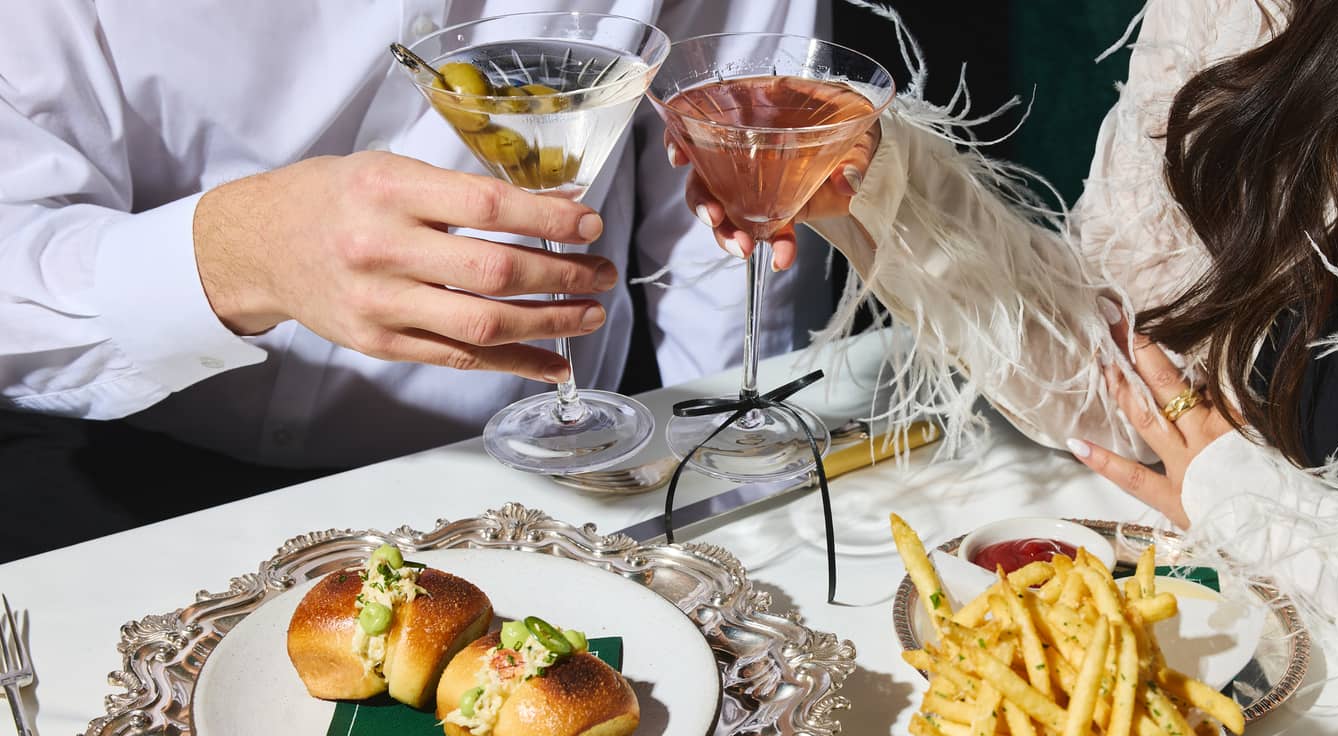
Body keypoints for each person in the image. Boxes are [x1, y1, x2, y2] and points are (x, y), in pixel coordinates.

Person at [681, 0, 1338, 736]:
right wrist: (877, 189)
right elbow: (1127, 379)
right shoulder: (1246, 14)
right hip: (1246, 702)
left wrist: (1252, 505)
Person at [0, 1, 829, 558]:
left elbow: (727, 159)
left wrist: (734, 489)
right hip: (145, 492)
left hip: (568, 483)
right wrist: (237, 255)